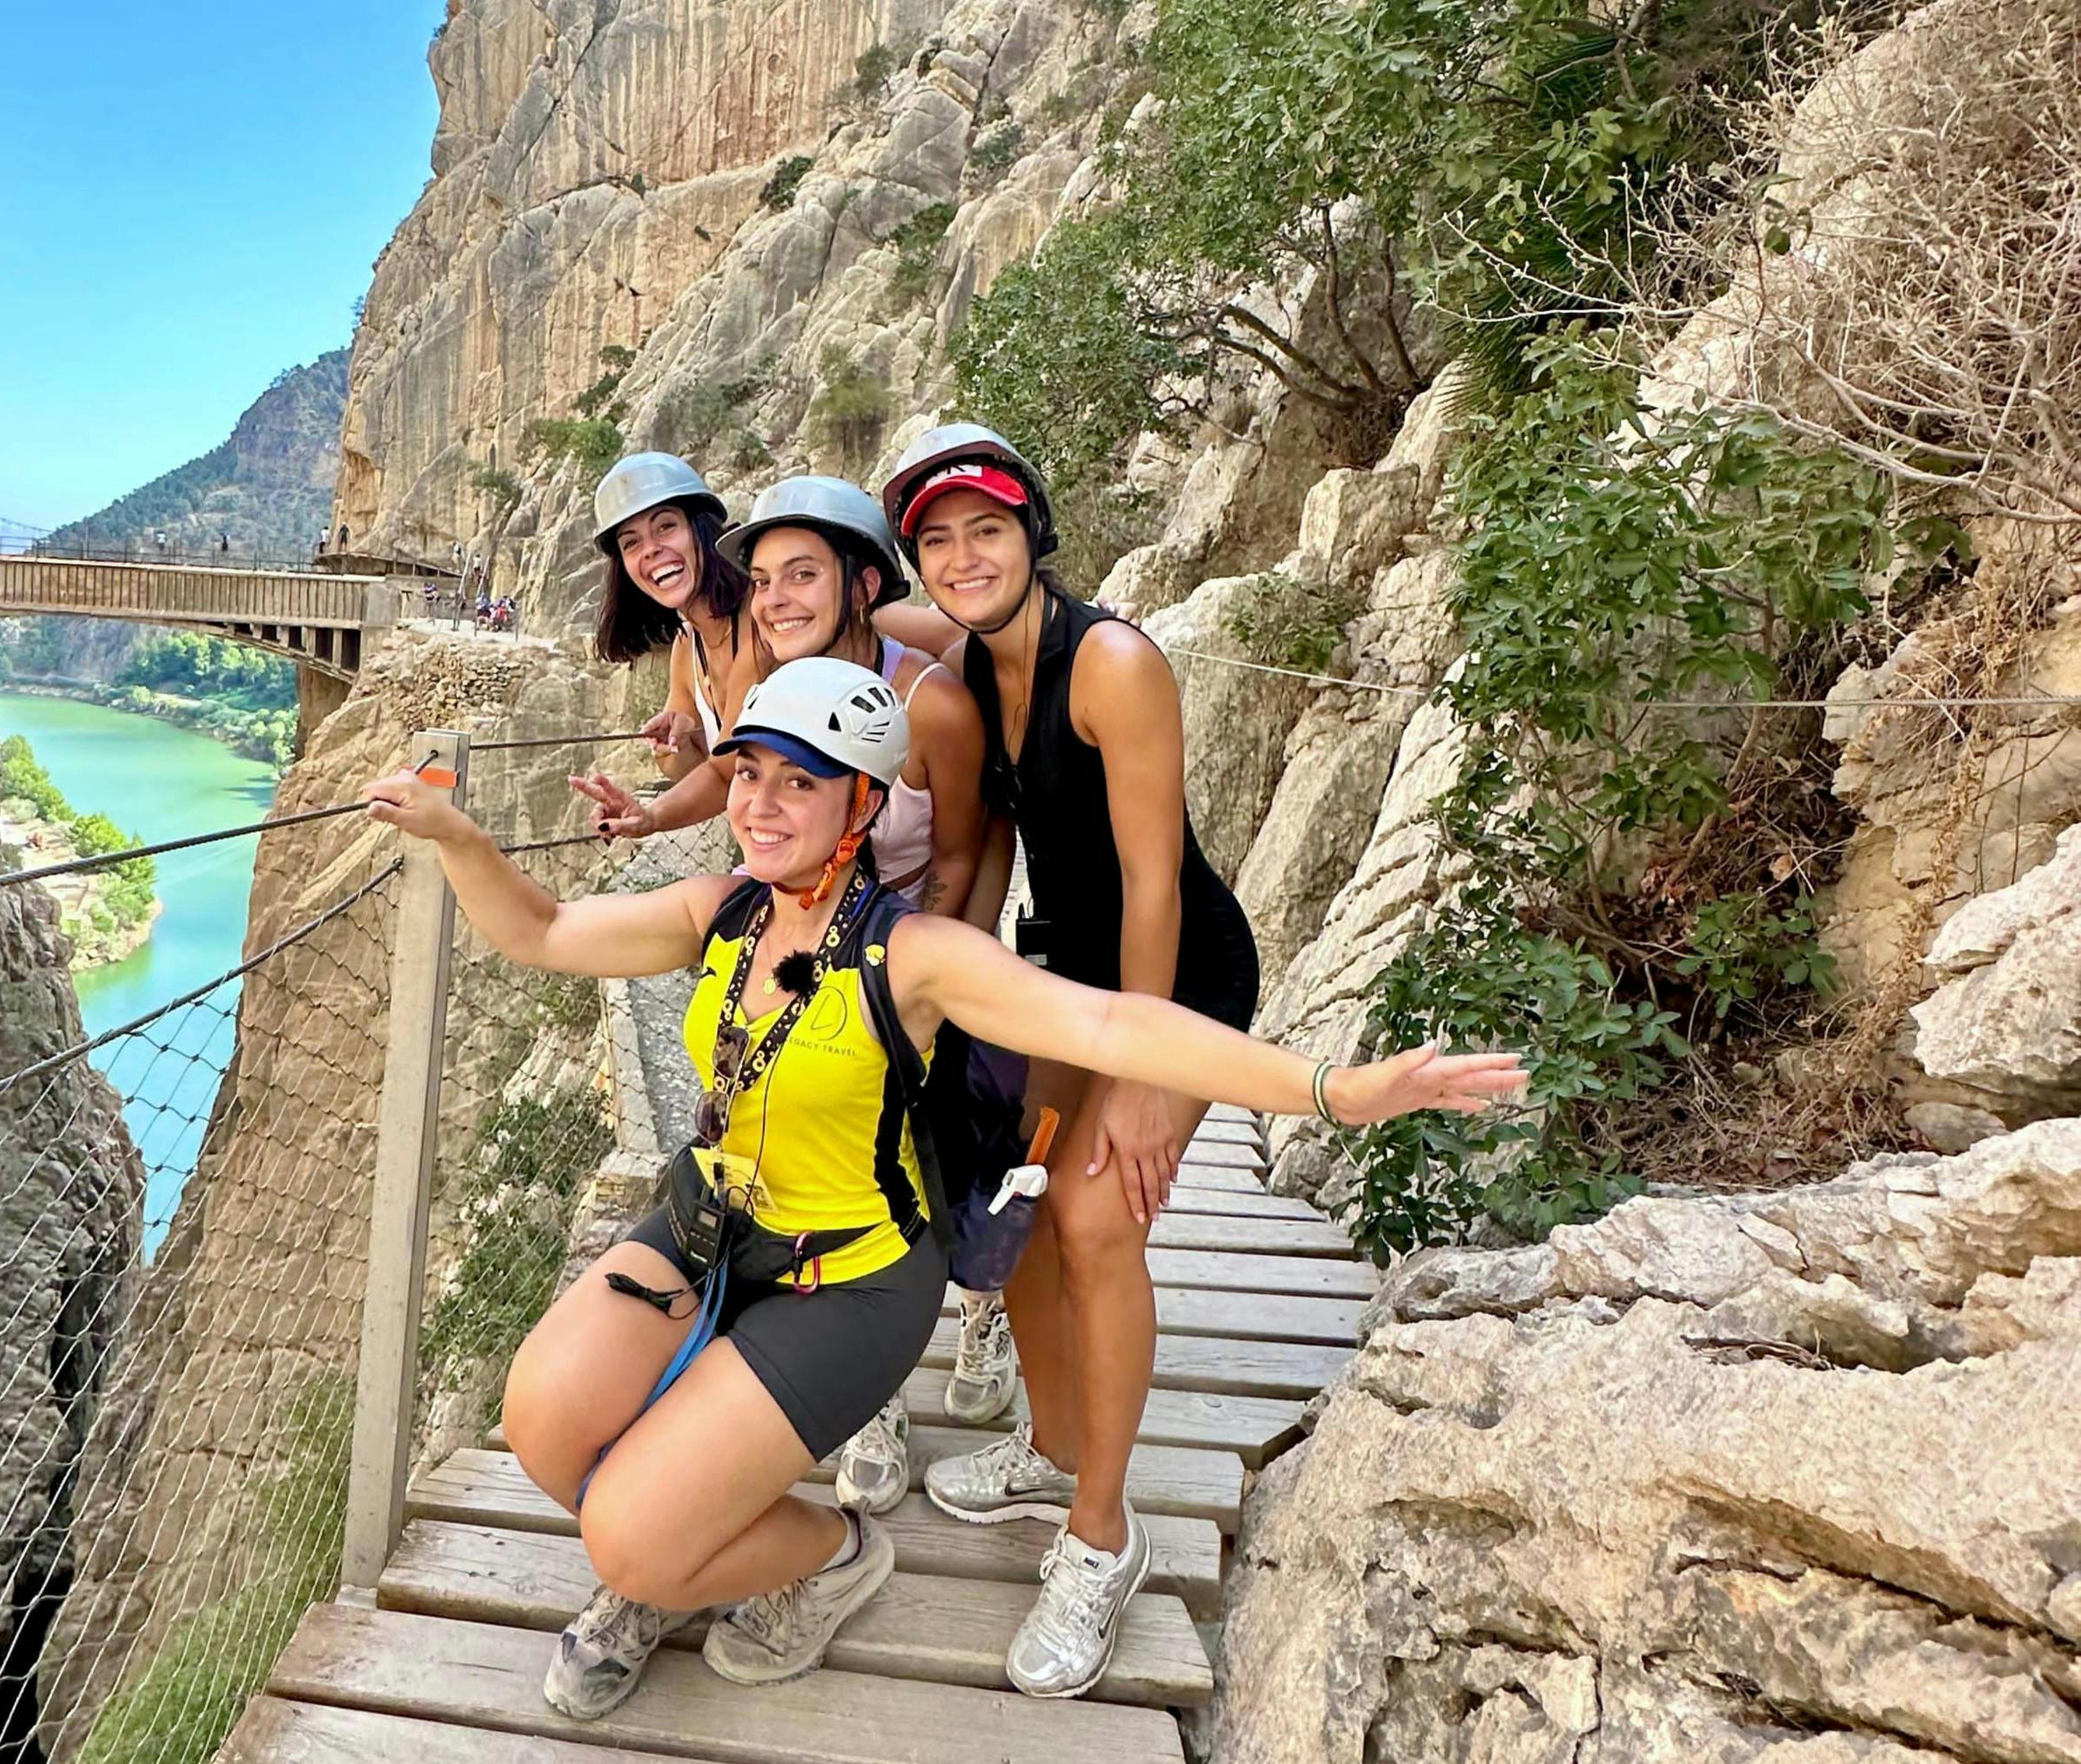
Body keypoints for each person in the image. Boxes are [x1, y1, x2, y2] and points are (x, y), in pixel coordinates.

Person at [359, 656, 1523, 1722]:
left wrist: (1331, 1088)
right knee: (546, 1429)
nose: (759, 804)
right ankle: (679, 1553)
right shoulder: (722, 911)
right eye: (747, 773)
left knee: (624, 1535)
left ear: (861, 807)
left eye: (798, 785)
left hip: (850, 1281)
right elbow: (550, 930)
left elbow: (1107, 1021)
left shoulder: (911, 954)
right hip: (709, 1227)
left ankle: (825, 1556)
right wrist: (458, 837)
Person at [873, 423, 1266, 1698]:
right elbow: (977, 862)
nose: (962, 555)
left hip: (1178, 974)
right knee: (1019, 1209)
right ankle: (1047, 1446)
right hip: (1057, 980)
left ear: (1031, 536)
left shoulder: (1113, 664)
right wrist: (944, 1009)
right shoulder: (958, 691)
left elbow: (1153, 879)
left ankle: (1101, 1533)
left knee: (1096, 1222)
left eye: (985, 529)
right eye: (936, 540)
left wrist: (1148, 1076)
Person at [569, 475, 999, 1510]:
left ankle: (982, 1300)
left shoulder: (926, 693)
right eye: (764, 580)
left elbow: (972, 848)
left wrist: (936, 972)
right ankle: (868, 1390)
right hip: (791, 934)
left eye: (799, 575)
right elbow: (732, 765)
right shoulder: (764, 666)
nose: (774, 597)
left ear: (855, 581)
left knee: (940, 1149)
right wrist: (661, 801)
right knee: (825, 1161)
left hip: (904, 951)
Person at [582, 452, 761, 785]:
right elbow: (685, 769)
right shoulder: (687, 644)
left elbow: (725, 773)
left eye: (666, 526)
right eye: (631, 543)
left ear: (702, 529)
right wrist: (674, 741)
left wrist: (649, 818)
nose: (650, 550)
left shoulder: (759, 617)